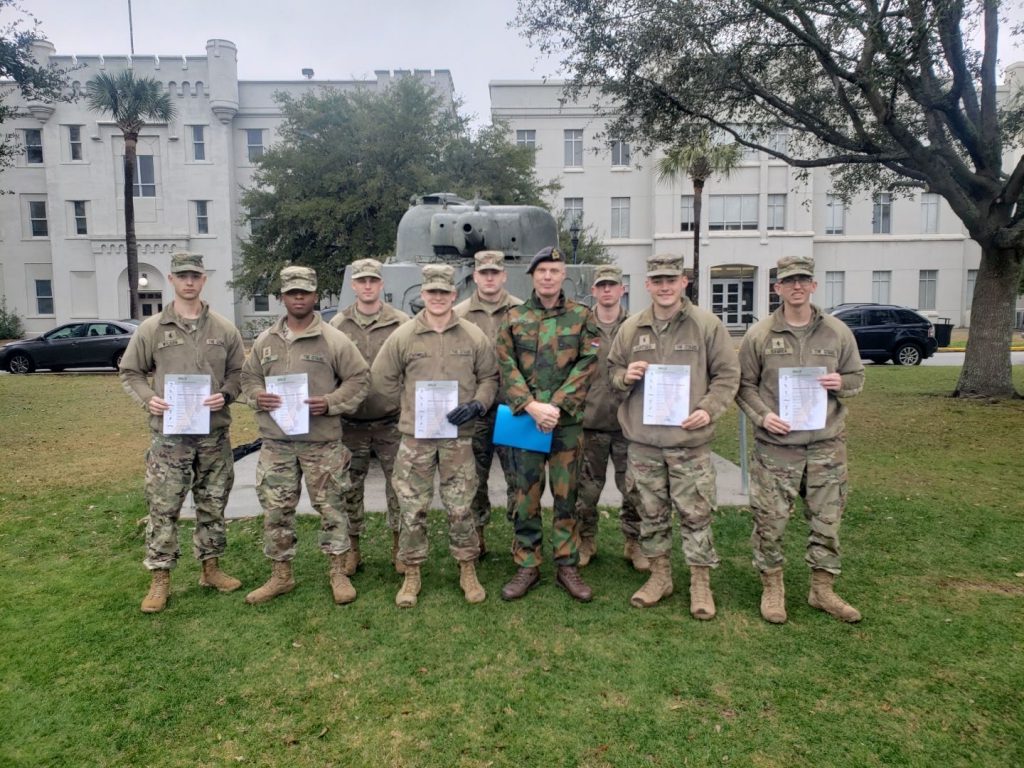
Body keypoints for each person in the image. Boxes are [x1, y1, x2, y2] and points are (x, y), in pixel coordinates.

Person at [607, 254, 739, 618]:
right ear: (647, 285)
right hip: (645, 443)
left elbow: (728, 376)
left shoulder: (706, 325)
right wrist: (625, 376)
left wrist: (708, 409)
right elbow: (612, 372)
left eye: (672, 280)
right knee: (651, 513)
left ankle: (700, 584)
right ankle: (660, 576)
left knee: (696, 513)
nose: (665, 287)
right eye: (657, 281)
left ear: (684, 282)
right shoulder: (632, 328)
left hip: (688, 443)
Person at [737, 255, 864, 624]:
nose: (796, 286)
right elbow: (744, 386)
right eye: (789, 281)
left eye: (803, 280)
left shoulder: (837, 333)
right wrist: (763, 416)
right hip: (777, 447)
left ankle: (822, 588)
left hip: (826, 445)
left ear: (813, 285)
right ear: (777, 288)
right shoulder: (760, 335)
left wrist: (842, 384)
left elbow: (857, 378)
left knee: (827, 519)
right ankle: (772, 587)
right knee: (770, 520)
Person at [120, 251, 245, 613]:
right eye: (182, 276)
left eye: (195, 275)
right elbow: (130, 372)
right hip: (170, 439)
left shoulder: (223, 328)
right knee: (164, 506)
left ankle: (211, 568)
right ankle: (160, 578)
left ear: (203, 279)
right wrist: (148, 399)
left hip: (213, 436)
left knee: (213, 503)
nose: (189, 281)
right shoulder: (152, 329)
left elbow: (239, 373)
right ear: (172, 280)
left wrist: (226, 394)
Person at [372, 264, 499, 607]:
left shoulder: (473, 336)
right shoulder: (404, 336)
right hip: (416, 439)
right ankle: (412, 573)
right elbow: (382, 378)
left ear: (454, 294)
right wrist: (407, 407)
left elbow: (490, 378)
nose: (438, 298)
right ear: (423, 295)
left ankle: (467, 568)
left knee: (461, 506)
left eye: (444, 292)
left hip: (458, 438)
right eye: (432, 292)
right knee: (412, 507)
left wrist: (477, 405)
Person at [241, 266, 369, 606]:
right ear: (282, 297)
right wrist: (257, 396)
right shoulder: (265, 341)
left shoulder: (333, 339)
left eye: (305, 292)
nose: (299, 297)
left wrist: (330, 403)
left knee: (332, 508)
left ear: (315, 296)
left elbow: (359, 379)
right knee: (276, 510)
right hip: (277, 443)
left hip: (321, 443)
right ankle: (281, 575)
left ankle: (338, 572)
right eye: (292, 292)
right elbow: (248, 378)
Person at [496, 246, 598, 603]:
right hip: (526, 422)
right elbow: (506, 365)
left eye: (554, 270)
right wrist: (531, 406)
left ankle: (566, 564)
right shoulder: (513, 317)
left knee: (567, 495)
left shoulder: (582, 317)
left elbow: (588, 362)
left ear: (563, 274)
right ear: (533, 277)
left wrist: (554, 406)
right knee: (527, 495)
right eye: (542, 271)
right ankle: (528, 563)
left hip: (566, 423)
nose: (548, 277)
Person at [329, 258, 410, 575]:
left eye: (372, 281)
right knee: (349, 489)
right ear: (353, 285)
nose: (367, 286)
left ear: (381, 284)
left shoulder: (401, 322)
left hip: (391, 422)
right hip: (351, 424)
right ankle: (353, 550)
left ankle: (399, 548)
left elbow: (410, 366)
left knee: (399, 489)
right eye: (361, 281)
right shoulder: (338, 325)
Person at [574, 264, 645, 570]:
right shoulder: (581, 327)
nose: (606, 290)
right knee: (586, 491)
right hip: (590, 424)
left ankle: (634, 542)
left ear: (621, 289)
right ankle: (586, 540)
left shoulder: (637, 327)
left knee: (633, 489)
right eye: (601, 285)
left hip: (627, 425)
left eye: (611, 286)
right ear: (594, 290)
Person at [454, 250, 524, 556]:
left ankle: (520, 536)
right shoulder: (459, 314)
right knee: (473, 478)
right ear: (475, 276)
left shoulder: (523, 312)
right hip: (474, 412)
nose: (490, 278)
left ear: (504, 275)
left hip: (513, 410)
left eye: (495, 272)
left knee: (519, 477)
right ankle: (477, 534)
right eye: (484, 273)